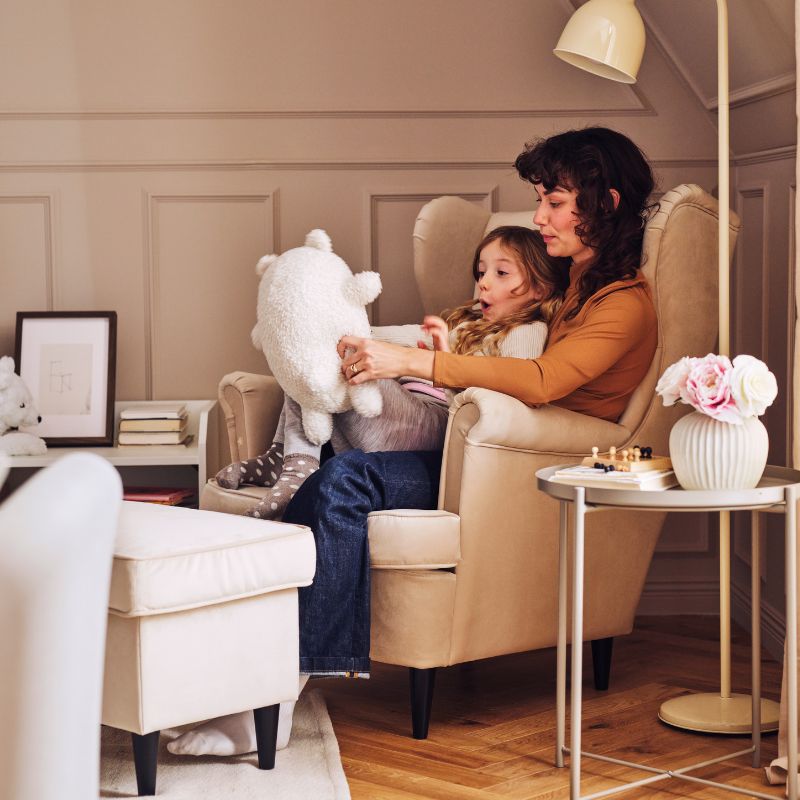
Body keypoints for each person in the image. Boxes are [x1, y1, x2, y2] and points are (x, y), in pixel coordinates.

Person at [167, 125, 659, 758]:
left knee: (346, 480)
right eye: (541, 198)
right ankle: (257, 680)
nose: (539, 217)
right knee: (334, 480)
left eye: (555, 201)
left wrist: (411, 363)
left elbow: (543, 380)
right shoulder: (568, 290)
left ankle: (274, 698)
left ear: (607, 205)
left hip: (524, 474)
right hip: (476, 457)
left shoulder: (624, 305)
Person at [214, 226, 567, 521]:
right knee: (321, 352)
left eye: (501, 273)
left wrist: (443, 357)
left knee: (337, 361)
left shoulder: (526, 332)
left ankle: (297, 465)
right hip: (397, 415)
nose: (484, 283)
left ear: (540, 287)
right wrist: (335, 327)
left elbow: (507, 403)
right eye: (481, 271)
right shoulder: (464, 322)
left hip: (434, 425)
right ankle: (286, 455)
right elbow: (381, 337)